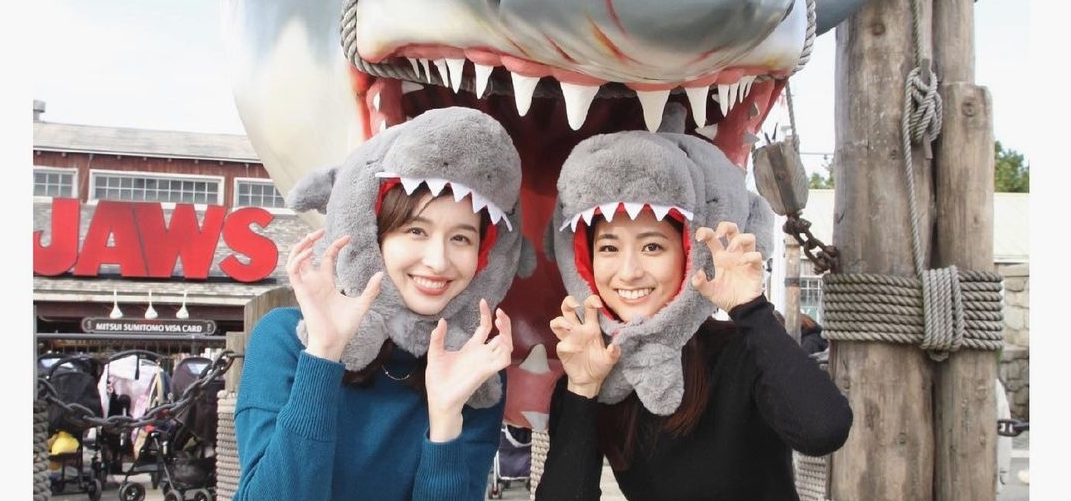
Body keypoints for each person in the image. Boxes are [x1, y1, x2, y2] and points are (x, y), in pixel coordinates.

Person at [536, 129, 853, 501]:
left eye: (652, 247)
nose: (629, 272)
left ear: (688, 255)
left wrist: (751, 309)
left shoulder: (740, 353)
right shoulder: (594, 370)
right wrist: (583, 389)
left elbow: (824, 431)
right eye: (609, 248)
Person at [232, 108, 526, 501]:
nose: (438, 261)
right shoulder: (286, 338)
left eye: (461, 238)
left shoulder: (471, 365)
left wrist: (445, 419)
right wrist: (323, 355)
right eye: (416, 230)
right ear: (374, 237)